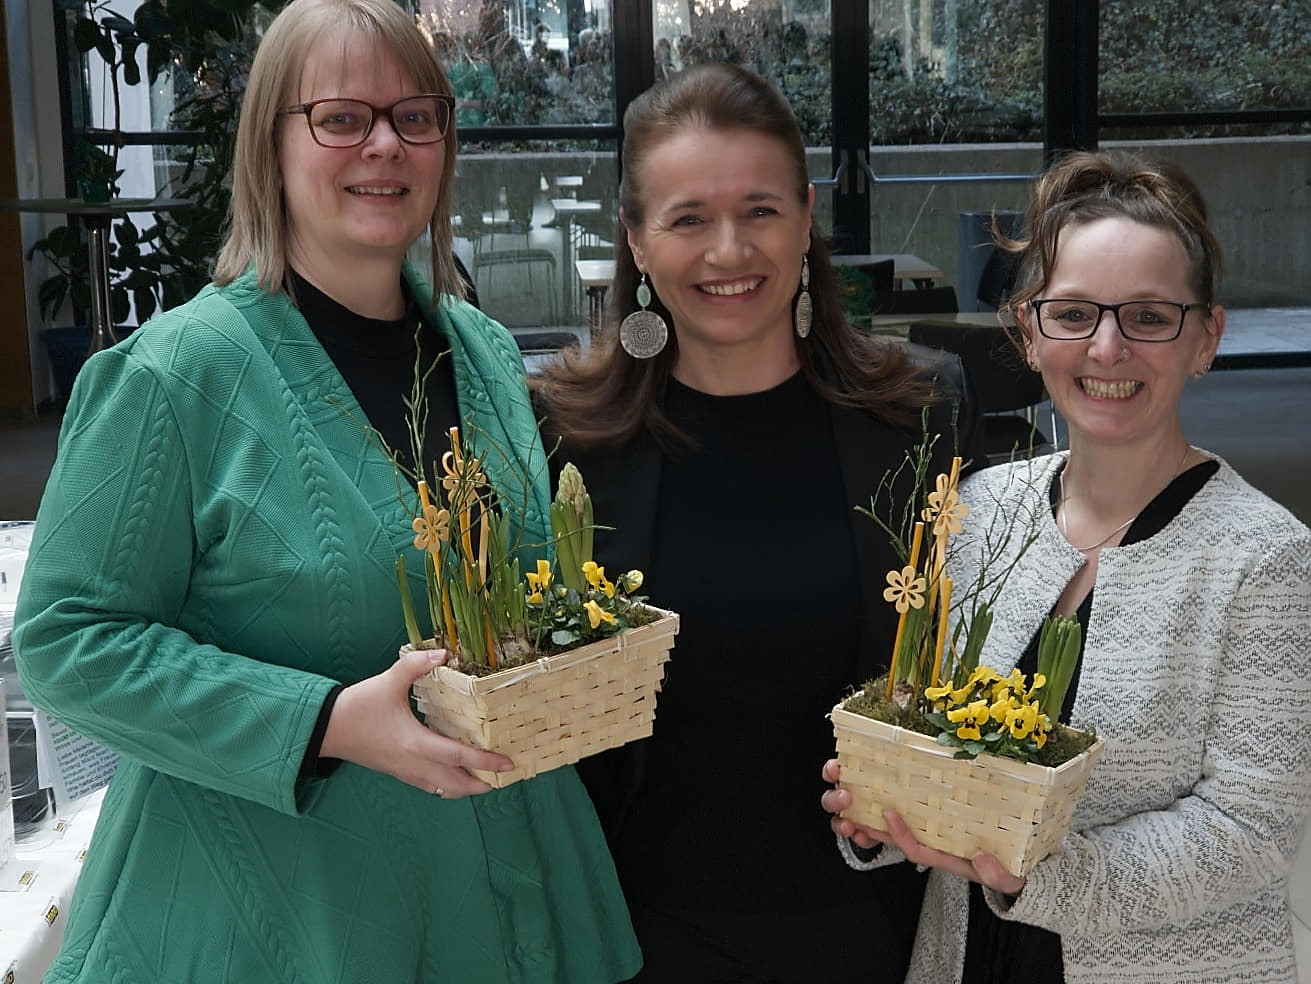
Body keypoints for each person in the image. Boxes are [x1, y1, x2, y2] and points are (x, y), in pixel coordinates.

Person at [12, 1, 641, 981]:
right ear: (271, 146)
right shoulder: (175, 376)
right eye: (341, 117)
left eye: (414, 117)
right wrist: (322, 723)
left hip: (493, 884)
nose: (384, 145)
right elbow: (66, 641)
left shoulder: (481, 349)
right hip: (271, 906)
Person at [533, 62, 978, 983]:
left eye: (760, 210)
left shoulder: (919, 414)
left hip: (873, 930)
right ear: (636, 239)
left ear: (806, 217)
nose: (729, 250)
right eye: (689, 218)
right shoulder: (564, 439)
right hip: (634, 935)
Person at [822, 150, 1311, 983]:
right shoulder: (978, 508)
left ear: (1206, 338)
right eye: (1074, 314)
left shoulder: (1267, 560)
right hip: (967, 958)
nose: (1107, 348)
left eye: (1149, 316)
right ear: (1028, 332)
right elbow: (933, 734)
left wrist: (1033, 875)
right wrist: (884, 811)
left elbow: (1250, 831)